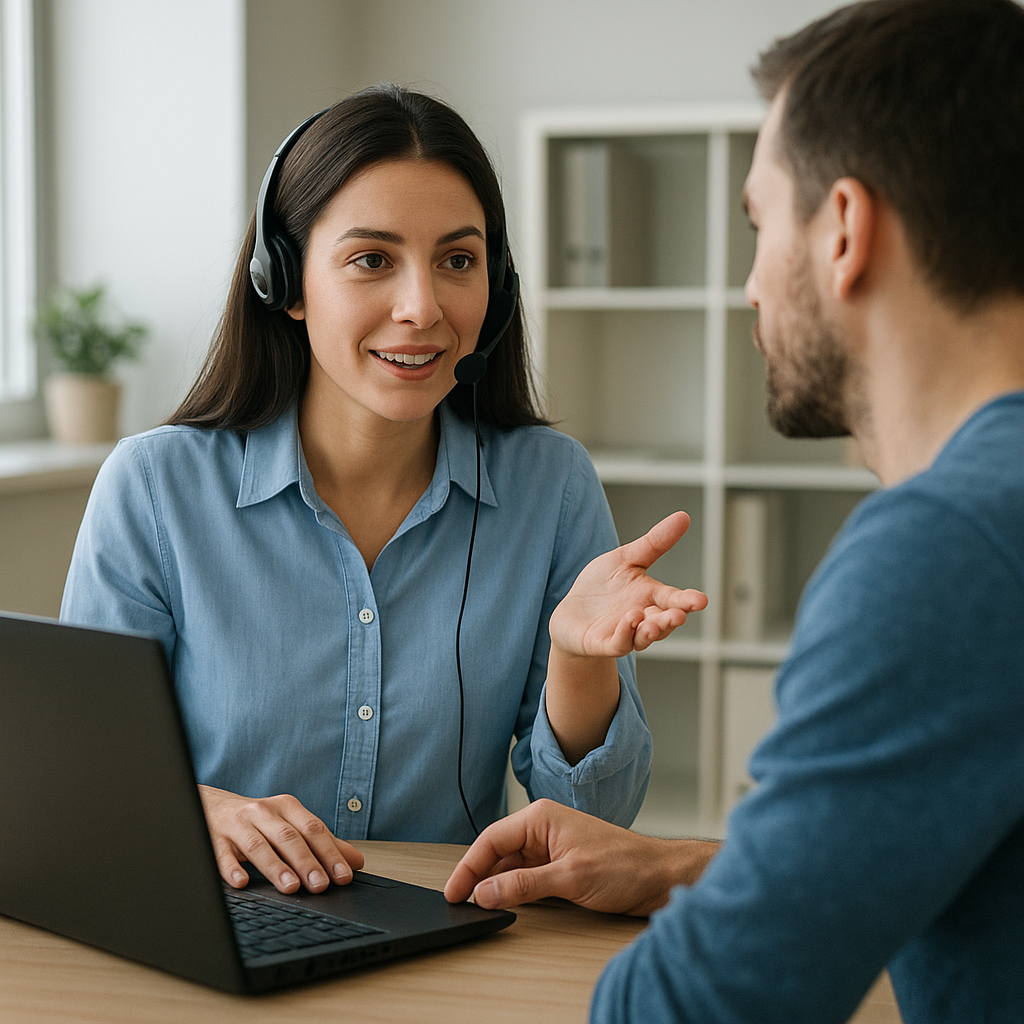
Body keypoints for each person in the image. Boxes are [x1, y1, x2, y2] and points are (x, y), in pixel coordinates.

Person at [444, 2, 1024, 1021]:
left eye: (760, 226)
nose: (750, 287)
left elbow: (693, 1008)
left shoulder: (946, 550)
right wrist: (680, 868)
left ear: (844, 230)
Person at [60, 86, 707, 897]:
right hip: (211, 919)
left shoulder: (549, 486)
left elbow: (596, 825)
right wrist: (196, 809)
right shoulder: (155, 489)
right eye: (372, 259)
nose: (421, 308)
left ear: (498, 289)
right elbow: (80, 784)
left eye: (458, 261)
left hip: (440, 932)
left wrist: (578, 664)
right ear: (285, 282)